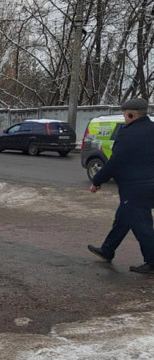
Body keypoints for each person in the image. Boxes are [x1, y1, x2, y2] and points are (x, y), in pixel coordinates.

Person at [87, 98, 154, 274]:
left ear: (131, 114)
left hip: (135, 188)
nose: (124, 117)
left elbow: (115, 162)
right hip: (149, 186)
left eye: (125, 114)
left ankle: (152, 262)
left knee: (142, 226)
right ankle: (108, 249)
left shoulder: (128, 133)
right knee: (124, 218)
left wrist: (97, 181)